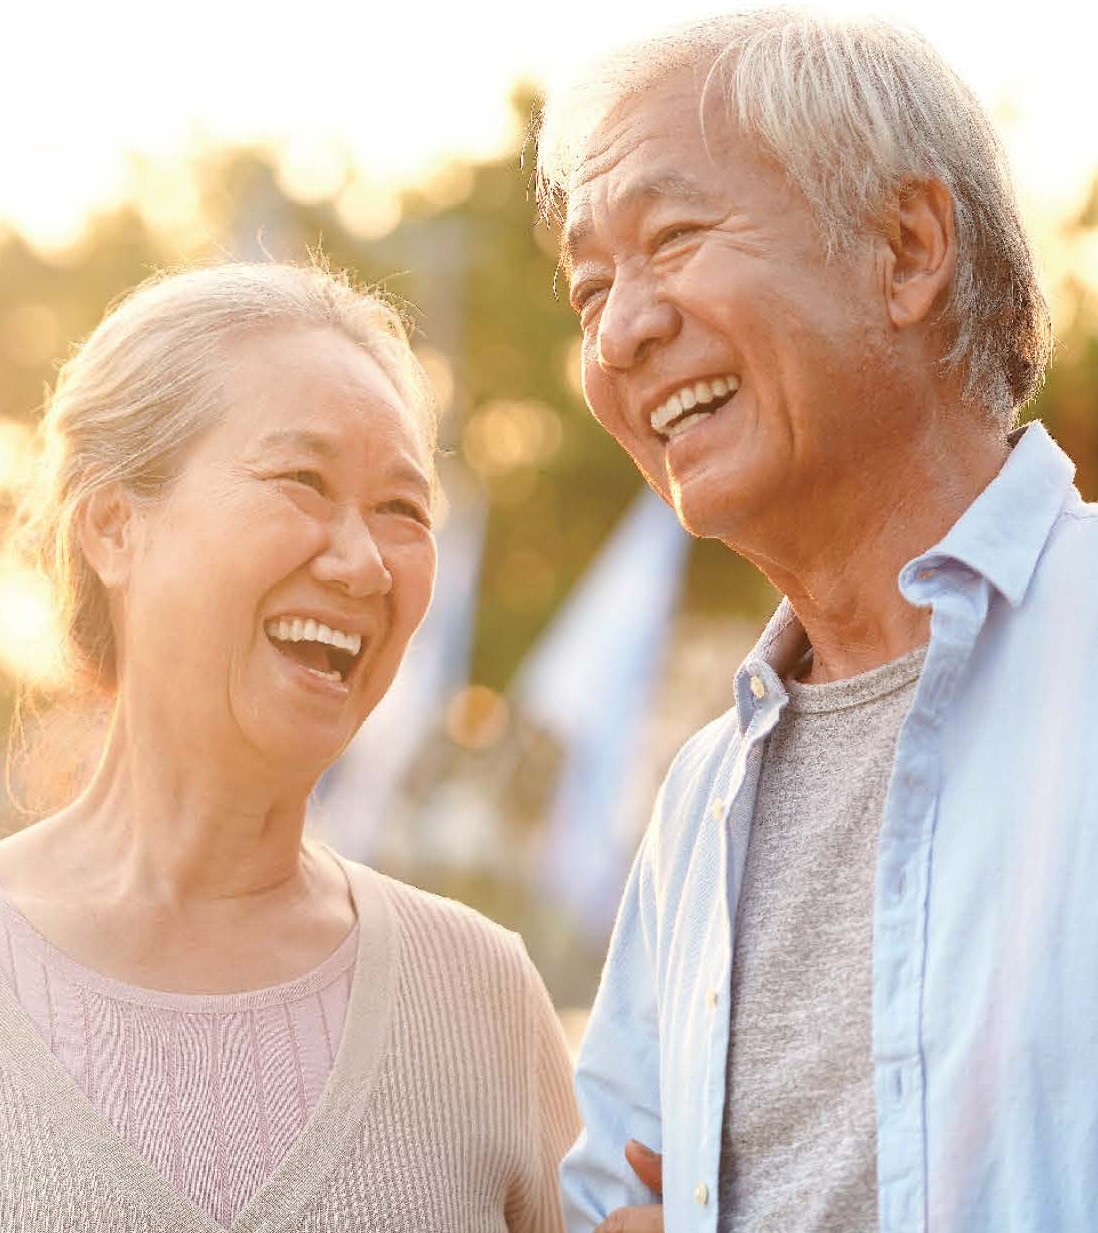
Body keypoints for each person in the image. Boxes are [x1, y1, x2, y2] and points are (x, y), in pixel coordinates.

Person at [536, 10, 1091, 1233]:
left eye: (672, 237)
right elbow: (607, 1201)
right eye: (589, 287)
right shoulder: (699, 798)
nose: (619, 331)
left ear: (905, 249)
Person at [0, 262, 578, 1231]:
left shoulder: (484, 1001)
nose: (361, 562)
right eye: (303, 482)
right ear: (112, 526)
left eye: (402, 510)